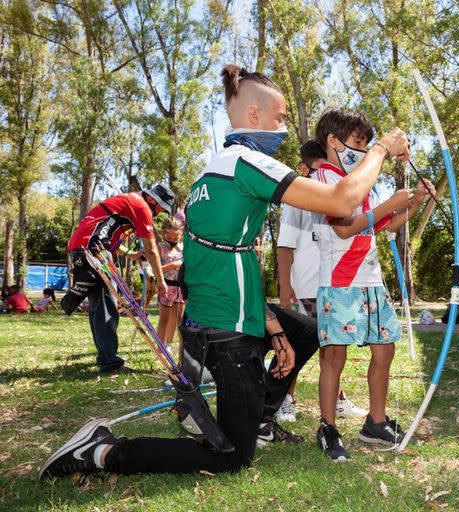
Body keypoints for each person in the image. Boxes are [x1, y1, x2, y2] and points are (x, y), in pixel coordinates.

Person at [39, 65, 410, 479]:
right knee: (233, 457)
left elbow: (229, 254)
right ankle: (104, 452)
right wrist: (381, 151)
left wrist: (273, 324)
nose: (284, 129)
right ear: (255, 117)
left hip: (227, 310)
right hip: (226, 325)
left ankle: (261, 416)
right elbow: (343, 200)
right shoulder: (247, 163)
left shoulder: (213, 168)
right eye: (281, 118)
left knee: (305, 331)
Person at [311, 107, 432, 462]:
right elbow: (344, 226)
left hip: (371, 282)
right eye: (357, 142)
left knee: (385, 350)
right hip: (340, 283)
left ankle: (375, 423)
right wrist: (388, 205)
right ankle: (328, 429)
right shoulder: (324, 179)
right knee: (335, 356)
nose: (362, 150)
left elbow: (385, 225)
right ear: (332, 141)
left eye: (366, 143)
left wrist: (414, 202)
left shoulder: (362, 181)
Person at [275, 140, 366, 423]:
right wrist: (285, 288)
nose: (322, 176)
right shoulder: (298, 197)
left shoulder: (339, 193)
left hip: (333, 284)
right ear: (305, 168)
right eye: (317, 169)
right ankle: (284, 399)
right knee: (298, 346)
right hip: (305, 286)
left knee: (335, 347)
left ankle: (337, 399)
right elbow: (284, 246)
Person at [60, 184, 175, 374]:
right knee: (106, 305)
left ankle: (106, 358)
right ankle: (109, 363)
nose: (160, 213)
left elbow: (109, 235)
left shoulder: (131, 202)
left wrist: (132, 255)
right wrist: (161, 280)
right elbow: (151, 248)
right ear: (153, 200)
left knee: (100, 306)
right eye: (161, 208)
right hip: (93, 250)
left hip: (88, 246)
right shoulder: (142, 207)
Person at [155, 218, 186, 354]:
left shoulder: (183, 247)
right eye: (169, 236)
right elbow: (155, 270)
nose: (172, 239)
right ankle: (160, 351)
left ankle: (177, 349)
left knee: (179, 320)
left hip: (181, 287)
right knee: (164, 319)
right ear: (164, 233)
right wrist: (173, 265)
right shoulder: (160, 248)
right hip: (166, 287)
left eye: (176, 237)